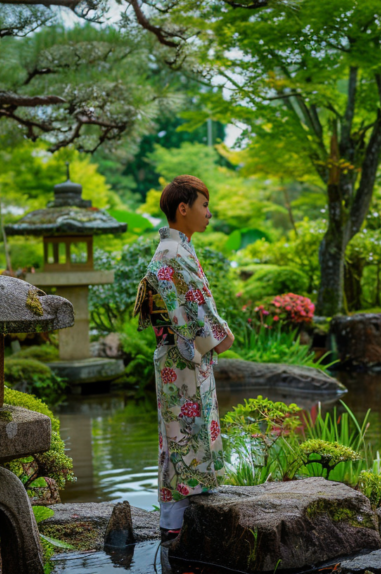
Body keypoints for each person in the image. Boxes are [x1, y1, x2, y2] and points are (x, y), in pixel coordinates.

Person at [132, 175, 235, 544]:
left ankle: (182, 522)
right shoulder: (173, 254)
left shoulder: (178, 249)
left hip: (183, 356)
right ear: (183, 208)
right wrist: (222, 336)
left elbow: (194, 299)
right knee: (182, 436)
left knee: (185, 435)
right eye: (204, 205)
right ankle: (178, 528)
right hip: (182, 356)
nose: (209, 213)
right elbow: (196, 305)